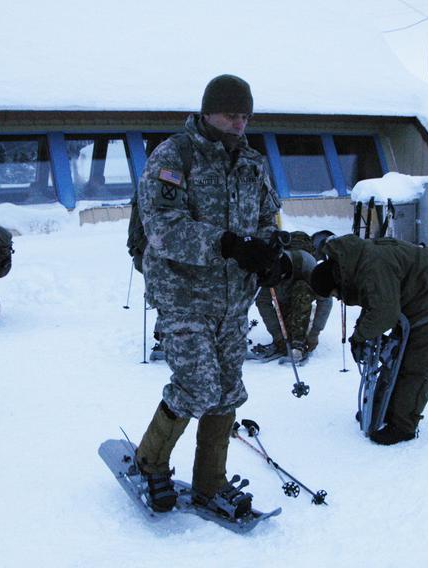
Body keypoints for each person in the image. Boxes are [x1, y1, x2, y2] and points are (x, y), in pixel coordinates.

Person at [133, 74, 283, 518]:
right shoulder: (175, 155)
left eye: (245, 116)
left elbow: (267, 218)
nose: (238, 124)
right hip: (182, 293)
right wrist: (229, 244)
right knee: (197, 386)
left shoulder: (252, 163)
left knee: (228, 391)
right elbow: (162, 227)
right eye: (230, 115)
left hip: (233, 298)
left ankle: (209, 482)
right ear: (207, 111)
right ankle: (150, 461)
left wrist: (270, 250)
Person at [308, 234, 428, 445]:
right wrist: (359, 334)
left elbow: (384, 313)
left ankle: (403, 425)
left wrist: (360, 336)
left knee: (416, 364)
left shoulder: (370, 267)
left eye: (335, 294)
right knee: (393, 359)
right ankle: (381, 410)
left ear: (337, 281)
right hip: (409, 301)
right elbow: (374, 302)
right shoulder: (354, 263)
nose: (339, 298)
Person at [249, 231, 333, 363]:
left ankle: (299, 343)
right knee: (286, 334)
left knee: (301, 289)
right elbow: (263, 303)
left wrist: (314, 334)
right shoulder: (267, 271)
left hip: (301, 297)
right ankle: (290, 333)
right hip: (283, 299)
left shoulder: (307, 264)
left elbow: (325, 300)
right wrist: (277, 336)